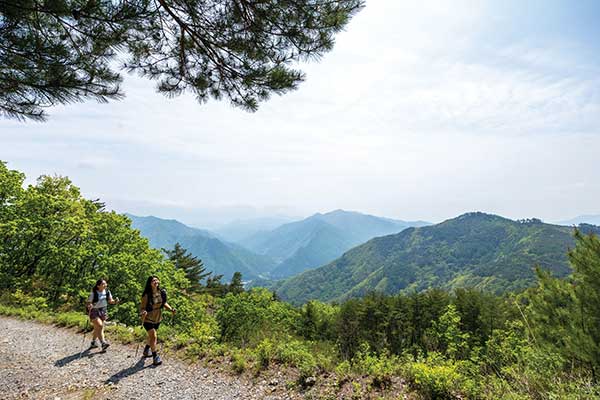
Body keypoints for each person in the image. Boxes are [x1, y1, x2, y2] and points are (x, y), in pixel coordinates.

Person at [140, 275, 175, 366]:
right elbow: (142, 308)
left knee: (151, 336)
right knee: (154, 336)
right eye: (153, 281)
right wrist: (143, 312)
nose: (156, 282)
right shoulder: (146, 295)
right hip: (148, 318)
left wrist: (171, 309)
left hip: (157, 318)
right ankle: (155, 356)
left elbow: (164, 303)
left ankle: (147, 349)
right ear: (150, 283)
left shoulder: (162, 292)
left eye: (156, 280)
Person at [86, 279, 120, 350]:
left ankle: (93, 342)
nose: (105, 285)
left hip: (103, 311)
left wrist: (115, 301)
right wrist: (90, 305)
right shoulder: (94, 293)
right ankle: (103, 343)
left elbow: (110, 301)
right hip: (94, 311)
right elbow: (89, 303)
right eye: (103, 284)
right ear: (98, 286)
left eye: (105, 284)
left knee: (97, 328)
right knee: (100, 326)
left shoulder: (107, 292)